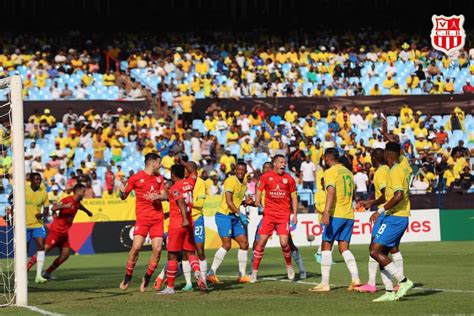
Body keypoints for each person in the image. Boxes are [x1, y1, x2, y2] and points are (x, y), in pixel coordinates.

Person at [309, 148, 360, 292]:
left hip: (336, 214)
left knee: (326, 245)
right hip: (349, 214)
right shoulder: (348, 172)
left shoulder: (330, 172)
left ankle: (325, 283)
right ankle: (355, 280)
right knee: (344, 248)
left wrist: (325, 213)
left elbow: (331, 191)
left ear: (326, 158)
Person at [369, 142, 414, 302]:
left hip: (395, 217)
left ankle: (404, 281)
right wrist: (373, 203)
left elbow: (398, 195)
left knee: (374, 251)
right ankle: (389, 291)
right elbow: (388, 194)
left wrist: (379, 210)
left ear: (388, 155)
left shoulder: (395, 171)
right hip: (396, 216)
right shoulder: (404, 166)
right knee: (381, 253)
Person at [356, 148, 404, 293]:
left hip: (385, 213)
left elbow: (386, 195)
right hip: (390, 212)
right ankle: (394, 284)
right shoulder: (388, 169)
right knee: (392, 248)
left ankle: (380, 283)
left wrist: (375, 206)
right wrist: (371, 202)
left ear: (374, 158)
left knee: (375, 248)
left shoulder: (380, 172)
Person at [118, 153, 167, 291]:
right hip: (143, 219)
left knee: (157, 250)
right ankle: (128, 275)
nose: (160, 165)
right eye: (159, 162)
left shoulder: (159, 178)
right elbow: (123, 196)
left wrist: (157, 196)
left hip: (157, 219)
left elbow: (164, 195)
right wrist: (121, 191)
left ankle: (147, 277)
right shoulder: (136, 178)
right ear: (152, 163)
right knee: (136, 247)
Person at [158, 159, 206, 295]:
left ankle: (170, 288)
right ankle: (197, 273)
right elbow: (194, 171)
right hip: (190, 223)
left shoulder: (175, 187)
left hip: (178, 224)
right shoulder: (190, 183)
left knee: (172, 255)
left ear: (173, 175)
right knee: (190, 253)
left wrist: (184, 218)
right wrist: (184, 163)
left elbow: (180, 202)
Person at [251, 155, 298, 283]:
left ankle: (289, 266)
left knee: (284, 243)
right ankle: (254, 272)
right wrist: (257, 200)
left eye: (285, 162)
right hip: (269, 215)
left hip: (283, 215)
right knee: (261, 243)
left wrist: (295, 214)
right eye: (281, 162)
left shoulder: (289, 179)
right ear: (275, 164)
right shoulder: (266, 177)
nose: (283, 164)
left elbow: (294, 197)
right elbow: (259, 189)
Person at [207, 162, 252, 285]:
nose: (241, 171)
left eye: (243, 169)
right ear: (235, 170)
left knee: (244, 243)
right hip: (224, 216)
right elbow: (228, 201)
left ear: (246, 170)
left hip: (234, 215)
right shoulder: (231, 180)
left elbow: (236, 201)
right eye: (238, 169)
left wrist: (245, 202)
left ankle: (242, 275)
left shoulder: (244, 183)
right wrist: (240, 214)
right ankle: (211, 273)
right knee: (227, 244)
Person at [42, 184, 93, 279]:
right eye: (83, 191)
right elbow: (53, 208)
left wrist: (87, 212)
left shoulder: (77, 202)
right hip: (56, 231)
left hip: (64, 233)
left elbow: (79, 206)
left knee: (65, 255)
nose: (84, 193)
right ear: (78, 191)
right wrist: (65, 205)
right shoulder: (67, 200)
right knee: (44, 251)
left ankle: (47, 273)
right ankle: (25, 270)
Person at [180, 162, 208, 292]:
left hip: (196, 219)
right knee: (186, 252)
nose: (184, 171)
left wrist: (186, 203)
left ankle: (204, 281)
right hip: (185, 220)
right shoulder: (182, 182)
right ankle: (188, 283)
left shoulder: (201, 183)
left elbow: (201, 203)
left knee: (200, 249)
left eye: (186, 169)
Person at [25, 173, 50, 284]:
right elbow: (12, 198)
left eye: (40, 179)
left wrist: (42, 215)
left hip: (38, 225)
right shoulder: (23, 190)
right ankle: (22, 275)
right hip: (24, 225)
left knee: (41, 247)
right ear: (30, 180)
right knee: (23, 250)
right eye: (36, 179)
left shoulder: (43, 192)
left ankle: (38, 275)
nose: (38, 181)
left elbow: (46, 210)